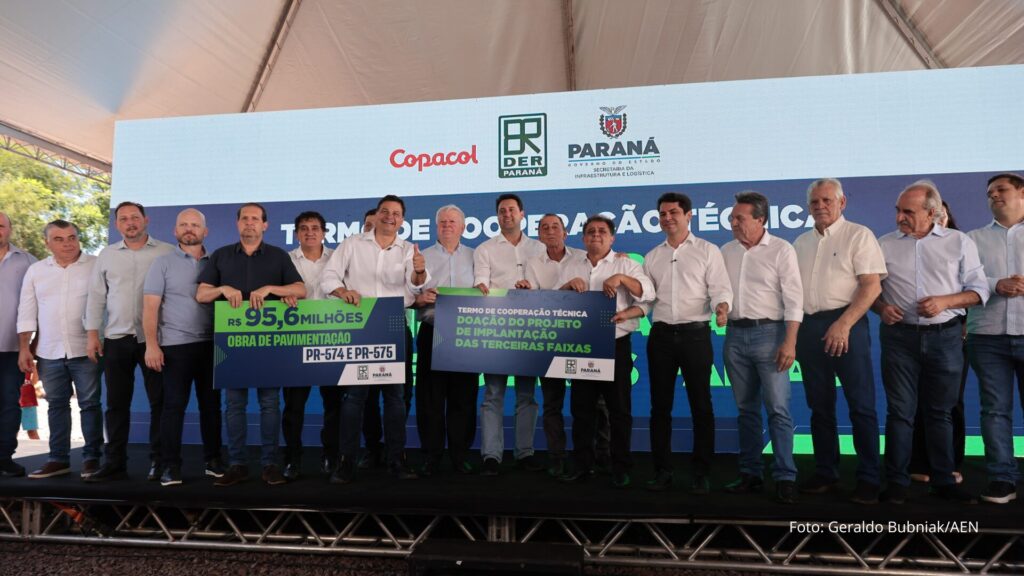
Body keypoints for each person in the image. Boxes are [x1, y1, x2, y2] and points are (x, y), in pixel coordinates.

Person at [873, 180, 988, 504]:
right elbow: (868, 292)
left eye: (908, 212)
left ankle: (943, 481)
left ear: (932, 212)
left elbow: (979, 291)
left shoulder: (959, 242)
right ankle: (896, 482)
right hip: (899, 339)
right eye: (898, 211)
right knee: (900, 413)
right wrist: (881, 308)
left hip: (945, 337)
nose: (899, 218)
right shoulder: (884, 244)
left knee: (940, 413)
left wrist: (944, 302)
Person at [197, 203, 306, 486]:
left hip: (268, 343)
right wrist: (222, 289)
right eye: (244, 218)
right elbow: (202, 294)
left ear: (264, 225)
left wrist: (271, 289)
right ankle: (238, 464)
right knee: (234, 405)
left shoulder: (278, 256)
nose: (249, 222)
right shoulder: (221, 255)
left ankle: (270, 464)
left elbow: (300, 290)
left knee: (270, 404)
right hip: (231, 343)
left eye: (255, 218)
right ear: (237, 224)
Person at [321, 194, 426, 483]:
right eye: (385, 211)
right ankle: (346, 462)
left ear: (402, 220)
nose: (390, 216)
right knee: (354, 398)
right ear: (376, 215)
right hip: (359, 327)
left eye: (396, 213)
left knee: (395, 398)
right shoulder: (352, 244)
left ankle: (397, 461)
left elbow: (415, 289)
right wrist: (343, 291)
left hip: (393, 326)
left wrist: (419, 271)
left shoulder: (408, 250)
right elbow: (329, 277)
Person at [793, 178, 885, 504]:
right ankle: (826, 472)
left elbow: (871, 286)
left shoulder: (859, 235)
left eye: (827, 200)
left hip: (849, 325)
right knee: (819, 407)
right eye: (814, 202)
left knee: (861, 406)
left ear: (842, 202)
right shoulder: (800, 243)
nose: (820, 206)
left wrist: (843, 324)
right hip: (809, 329)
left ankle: (869, 477)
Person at [641, 193, 731, 494]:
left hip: (696, 336)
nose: (667, 218)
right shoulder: (653, 256)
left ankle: (701, 472)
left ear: (688, 215)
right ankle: (662, 471)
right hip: (661, 337)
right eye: (663, 214)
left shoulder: (707, 250)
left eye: (674, 213)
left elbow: (720, 288)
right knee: (660, 407)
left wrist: (722, 308)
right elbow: (646, 299)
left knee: (701, 405)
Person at [556, 215, 654, 488]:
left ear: (612, 238)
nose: (596, 235)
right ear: (583, 238)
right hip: (581, 346)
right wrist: (567, 286)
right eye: (590, 231)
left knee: (619, 410)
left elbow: (647, 295)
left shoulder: (626, 264)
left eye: (602, 231)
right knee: (581, 410)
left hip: (615, 345)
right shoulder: (571, 265)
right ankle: (582, 465)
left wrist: (622, 279)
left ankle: (620, 466)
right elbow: (553, 300)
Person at [720, 192, 802, 504]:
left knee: (778, 409)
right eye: (732, 218)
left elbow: (794, 299)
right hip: (734, 336)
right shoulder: (726, 251)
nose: (733, 223)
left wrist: (790, 341)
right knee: (746, 410)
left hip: (771, 335)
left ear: (760, 220)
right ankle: (750, 474)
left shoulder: (781, 249)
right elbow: (717, 290)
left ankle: (785, 477)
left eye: (739, 218)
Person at [85, 201, 173, 482]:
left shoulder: (167, 252)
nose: (130, 223)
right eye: (123, 219)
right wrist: (92, 334)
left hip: (154, 340)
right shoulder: (107, 255)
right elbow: (96, 296)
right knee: (116, 404)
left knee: (160, 402)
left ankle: (159, 462)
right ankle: (115, 463)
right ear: (117, 224)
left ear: (146, 220)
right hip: (116, 338)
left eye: (135, 217)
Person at [143, 208, 224, 486]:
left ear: (205, 231)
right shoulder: (162, 263)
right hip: (175, 346)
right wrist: (151, 345)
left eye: (195, 225)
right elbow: (150, 307)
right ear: (175, 231)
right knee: (173, 407)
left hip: (213, 344)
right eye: (184, 225)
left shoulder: (218, 262)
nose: (189, 229)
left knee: (211, 406)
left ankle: (213, 461)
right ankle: (170, 466)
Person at [16, 220, 103, 479]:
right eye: (59, 239)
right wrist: (24, 348)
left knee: (90, 405)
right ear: (47, 243)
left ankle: (92, 460)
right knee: (56, 405)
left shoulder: (96, 265)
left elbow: (106, 303)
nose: (67, 243)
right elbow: (27, 311)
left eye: (71, 237)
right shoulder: (36, 271)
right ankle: (58, 459)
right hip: (48, 351)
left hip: (86, 349)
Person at [474, 193, 545, 475]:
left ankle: (525, 453)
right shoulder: (485, 249)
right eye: (502, 211)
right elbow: (481, 283)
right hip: (496, 329)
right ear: (497, 216)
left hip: (530, 330)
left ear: (522, 214)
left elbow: (551, 279)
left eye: (512, 210)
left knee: (527, 395)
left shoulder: (539, 247)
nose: (507, 215)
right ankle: (491, 455)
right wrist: (481, 288)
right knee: (493, 394)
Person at [966, 172, 1024, 504]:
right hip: (987, 337)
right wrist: (995, 285)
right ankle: (1002, 479)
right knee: (994, 410)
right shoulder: (972, 239)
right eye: (990, 192)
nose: (994, 196)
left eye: (1001, 189)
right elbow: (961, 280)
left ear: (1021, 193)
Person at [519, 214, 586, 477]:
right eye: (544, 227)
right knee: (551, 403)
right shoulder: (533, 263)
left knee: (590, 404)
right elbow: (536, 302)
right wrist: (564, 288)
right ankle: (557, 457)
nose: (550, 231)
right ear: (539, 235)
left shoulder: (583, 258)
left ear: (565, 233)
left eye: (555, 227)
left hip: (583, 339)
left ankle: (593, 456)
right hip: (549, 340)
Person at [414, 205, 478, 476]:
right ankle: (432, 455)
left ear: (463, 227)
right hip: (433, 330)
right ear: (436, 226)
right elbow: (409, 296)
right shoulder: (421, 258)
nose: (447, 225)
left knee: (464, 397)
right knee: (430, 398)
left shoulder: (477, 256)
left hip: (467, 334)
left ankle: (460, 455)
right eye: (442, 221)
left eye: (452, 221)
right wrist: (419, 299)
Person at [909, 200, 969, 485]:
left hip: (955, 334)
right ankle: (919, 462)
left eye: (940, 214)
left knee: (950, 403)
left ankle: (950, 464)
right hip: (913, 336)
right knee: (917, 401)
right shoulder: (908, 246)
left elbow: (976, 289)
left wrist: (965, 324)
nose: (936, 219)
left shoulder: (962, 244)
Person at [279, 211, 338, 480]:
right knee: (293, 406)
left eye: (315, 228)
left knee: (334, 404)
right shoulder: (285, 260)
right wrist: (282, 297)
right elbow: (275, 292)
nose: (310, 232)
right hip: (295, 339)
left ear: (324, 232)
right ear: (296, 234)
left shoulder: (338, 258)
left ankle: (331, 456)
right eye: (304, 228)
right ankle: (293, 459)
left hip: (332, 338)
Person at [0, 212, 36, 477]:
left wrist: (32, 346)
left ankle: (3, 458)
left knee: (9, 405)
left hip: (13, 348)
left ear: (9, 229)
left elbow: (39, 301)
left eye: (1, 225)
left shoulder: (28, 261)